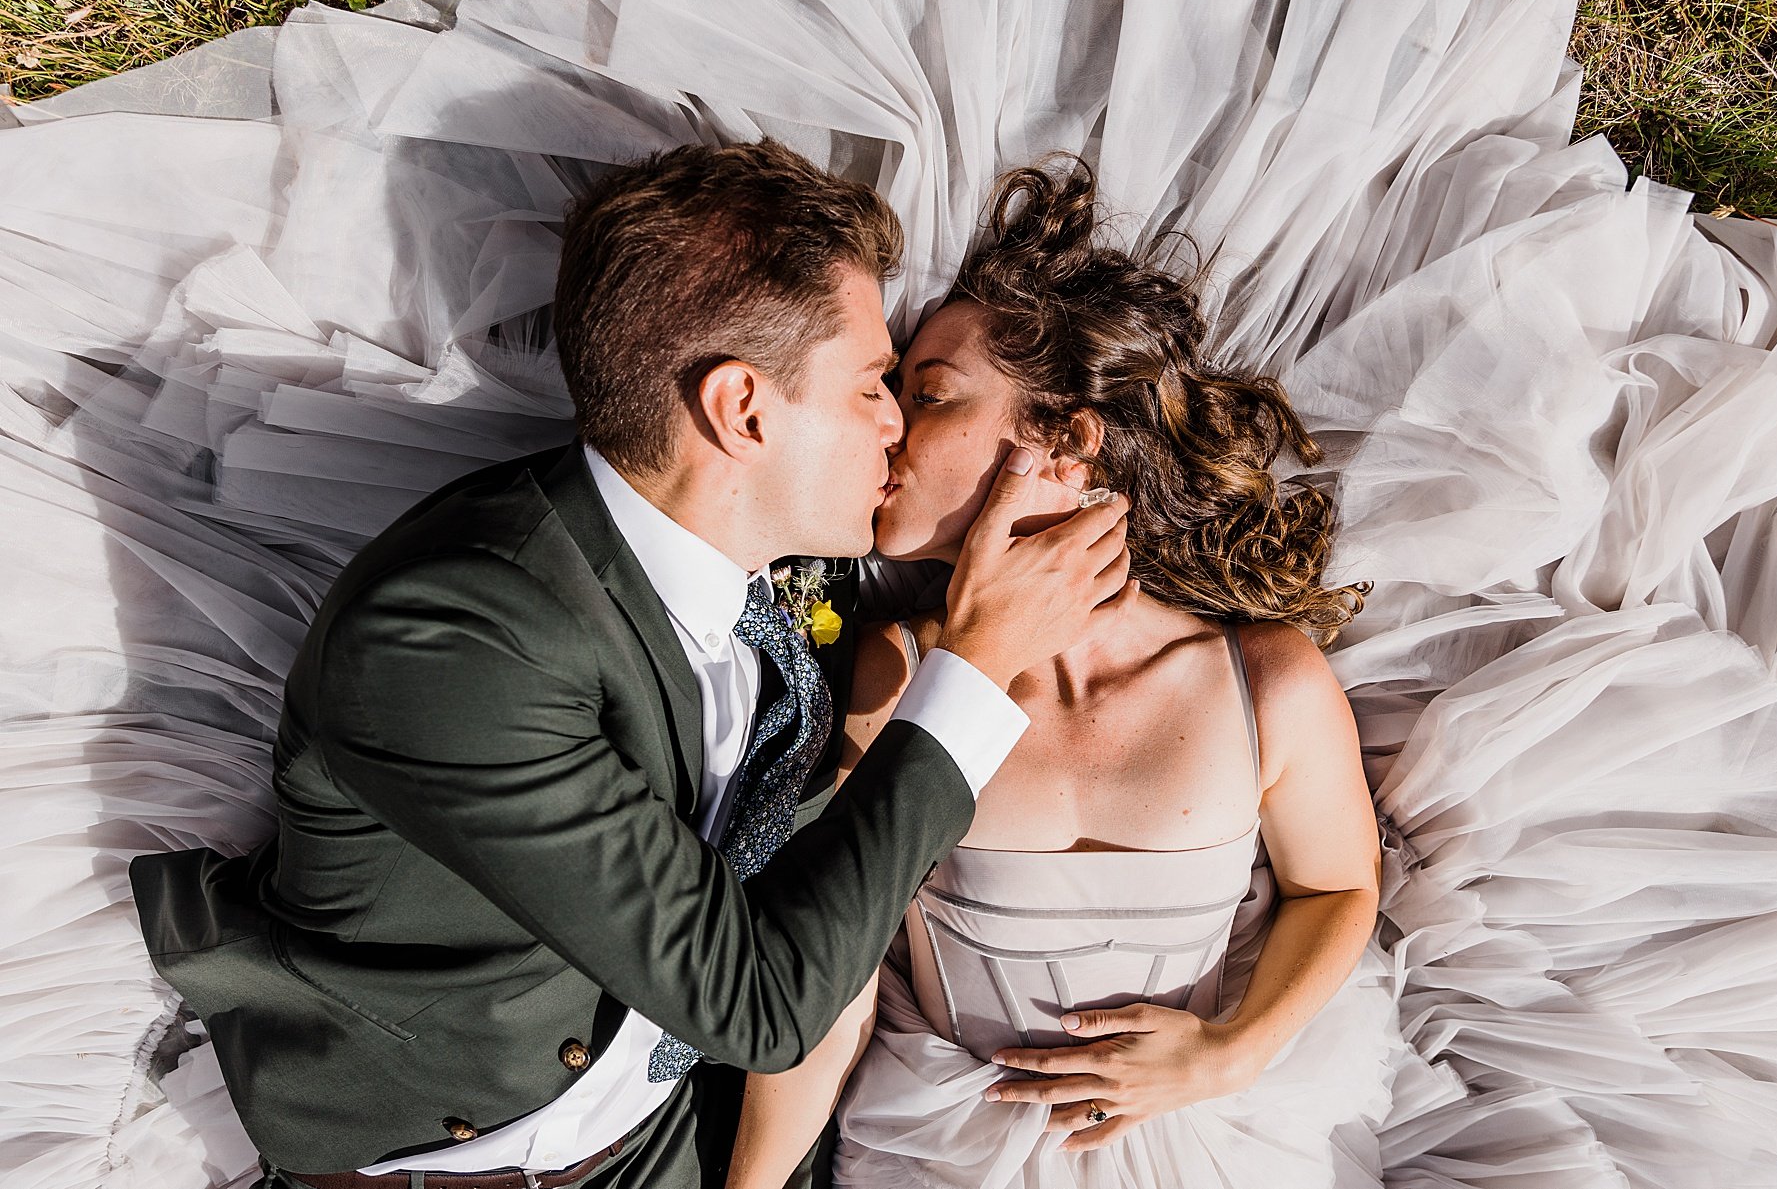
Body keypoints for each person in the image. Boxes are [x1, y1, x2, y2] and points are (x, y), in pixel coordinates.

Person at [125, 139, 1135, 1189]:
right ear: (742, 408)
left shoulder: (778, 574)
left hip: (669, 1137)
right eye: (878, 385)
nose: (895, 428)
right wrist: (976, 668)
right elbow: (763, 1004)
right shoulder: (453, 641)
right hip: (462, 1160)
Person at [722, 159, 1401, 1189]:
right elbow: (838, 972)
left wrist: (1232, 1051)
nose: (890, 427)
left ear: (1068, 436)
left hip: (1215, 1143)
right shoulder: (893, 676)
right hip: (953, 1147)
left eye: (930, 394)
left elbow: (1340, 885)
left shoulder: (1265, 683)